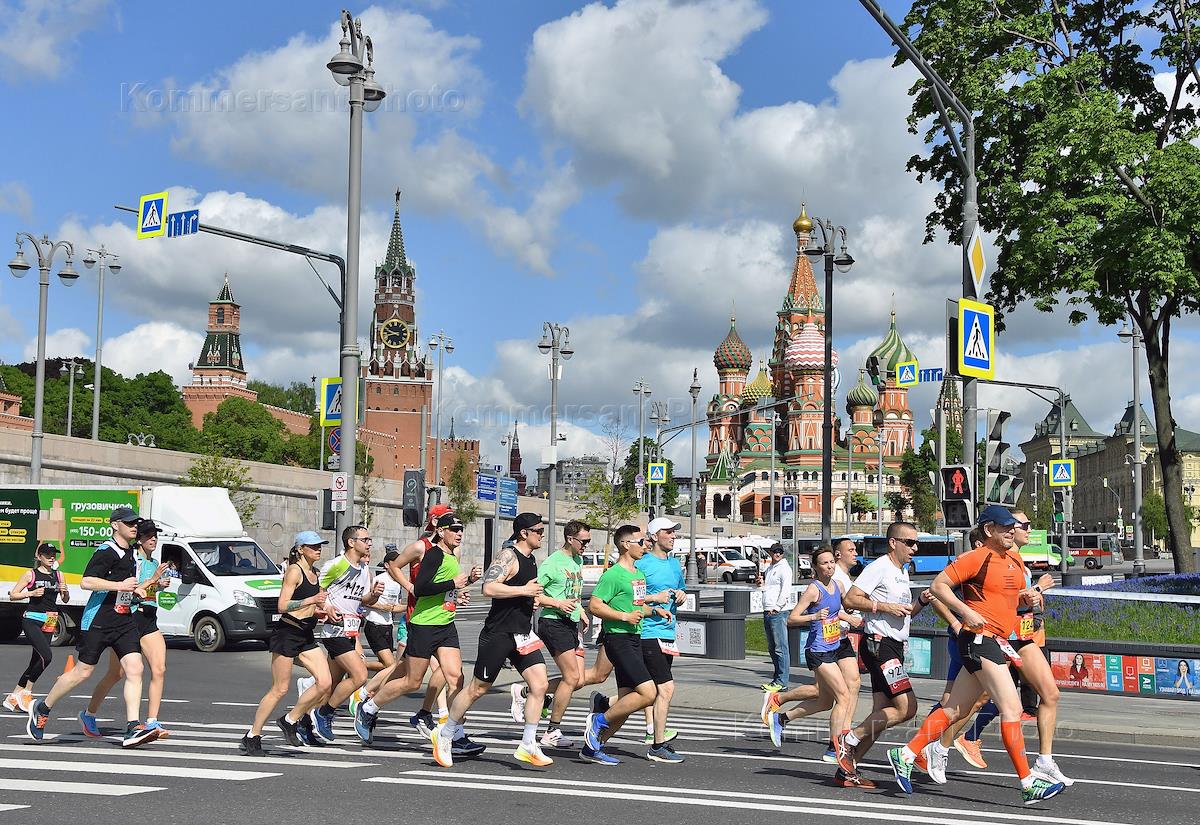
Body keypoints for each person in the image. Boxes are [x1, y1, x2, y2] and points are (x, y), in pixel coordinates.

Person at [885, 505, 1065, 806]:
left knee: (954, 710)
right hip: (980, 640)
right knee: (1011, 709)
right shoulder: (976, 557)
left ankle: (905, 753)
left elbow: (1008, 599)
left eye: (1013, 527)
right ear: (988, 530)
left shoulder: (1013, 559)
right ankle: (1027, 783)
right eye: (1005, 527)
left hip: (996, 640)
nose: (1011, 532)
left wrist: (1029, 597)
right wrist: (965, 611)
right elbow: (938, 586)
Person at [946, 511, 1070, 787]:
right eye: (1020, 525)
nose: (1024, 530)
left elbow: (1019, 600)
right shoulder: (992, 556)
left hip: (1022, 637)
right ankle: (938, 746)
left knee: (1048, 694)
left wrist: (1034, 600)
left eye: (1022, 526)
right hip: (999, 637)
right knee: (972, 702)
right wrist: (1037, 589)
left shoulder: (1017, 560)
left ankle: (1043, 761)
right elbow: (943, 591)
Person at [27, 506, 159, 748]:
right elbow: (86, 582)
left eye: (135, 523)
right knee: (82, 672)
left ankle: (133, 727)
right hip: (98, 619)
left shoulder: (131, 553)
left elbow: (128, 586)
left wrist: (140, 589)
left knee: (135, 669)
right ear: (115, 525)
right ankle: (43, 708)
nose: (134, 527)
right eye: (129, 523)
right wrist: (119, 585)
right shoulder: (106, 551)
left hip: (124, 620)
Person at [354, 513, 482, 754]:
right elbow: (421, 589)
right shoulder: (433, 554)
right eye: (454, 529)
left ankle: (456, 734)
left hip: (446, 624)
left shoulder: (452, 555)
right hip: (424, 625)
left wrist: (466, 584)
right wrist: (453, 584)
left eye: (461, 529)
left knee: (456, 677)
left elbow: (446, 589)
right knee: (412, 682)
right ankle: (368, 708)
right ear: (441, 531)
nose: (459, 533)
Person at [433, 513, 552, 767]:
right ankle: (446, 733)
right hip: (499, 634)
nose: (542, 535)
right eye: (539, 531)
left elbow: (521, 592)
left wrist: (531, 600)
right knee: (477, 689)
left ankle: (528, 744)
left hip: (522, 634)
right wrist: (524, 591)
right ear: (524, 533)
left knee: (540, 684)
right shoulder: (508, 556)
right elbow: (488, 588)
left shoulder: (531, 559)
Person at [834, 521, 931, 789]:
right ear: (893, 543)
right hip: (880, 646)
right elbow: (850, 599)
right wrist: (884, 606)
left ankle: (847, 770)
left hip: (893, 646)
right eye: (909, 543)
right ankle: (848, 739)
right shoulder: (880, 567)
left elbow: (903, 615)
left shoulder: (902, 571)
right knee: (907, 707)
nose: (915, 548)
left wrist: (921, 602)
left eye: (916, 543)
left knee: (880, 714)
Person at [763, 536, 862, 765]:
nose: (830, 566)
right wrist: (814, 616)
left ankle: (781, 719)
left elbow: (836, 611)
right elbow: (792, 619)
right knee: (844, 696)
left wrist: (850, 617)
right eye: (824, 563)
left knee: (825, 701)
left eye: (831, 562)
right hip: (818, 651)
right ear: (816, 567)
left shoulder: (837, 585)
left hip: (834, 646)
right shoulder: (813, 590)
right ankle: (836, 749)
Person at [582, 524, 671, 765]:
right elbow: (595, 605)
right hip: (617, 639)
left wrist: (655, 610)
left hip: (634, 638)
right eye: (641, 542)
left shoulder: (638, 574)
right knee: (649, 693)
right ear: (625, 544)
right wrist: (623, 617)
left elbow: (637, 606)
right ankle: (598, 720)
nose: (646, 545)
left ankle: (592, 748)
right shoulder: (613, 574)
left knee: (626, 702)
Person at [239, 531, 333, 756]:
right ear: (300, 549)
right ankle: (253, 735)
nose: (318, 549)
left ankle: (290, 720)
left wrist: (322, 612)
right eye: (313, 546)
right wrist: (311, 600)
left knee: (325, 683)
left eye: (319, 545)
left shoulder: (314, 573)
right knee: (280, 688)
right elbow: (282, 605)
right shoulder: (294, 571)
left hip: (306, 633)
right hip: (287, 633)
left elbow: (309, 606)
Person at [80, 519, 172, 738]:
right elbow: (131, 589)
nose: (153, 539)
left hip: (149, 618)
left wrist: (158, 586)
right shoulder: (132, 559)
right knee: (116, 674)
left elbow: (146, 590)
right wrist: (153, 581)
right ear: (139, 539)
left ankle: (152, 721)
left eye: (155, 536)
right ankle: (89, 713)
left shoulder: (154, 562)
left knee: (159, 669)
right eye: (148, 536)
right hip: (129, 617)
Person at [303, 524, 381, 743]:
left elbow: (363, 600)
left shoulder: (364, 569)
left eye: (369, 539)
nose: (369, 543)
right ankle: (325, 713)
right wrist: (327, 607)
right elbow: (318, 591)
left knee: (329, 684)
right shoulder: (336, 565)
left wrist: (374, 595)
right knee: (360, 676)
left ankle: (302, 721)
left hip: (352, 631)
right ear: (351, 542)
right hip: (334, 630)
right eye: (365, 540)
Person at [532, 519, 590, 748]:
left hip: (570, 623)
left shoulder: (577, 560)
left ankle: (526, 692)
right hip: (552, 622)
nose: (586, 545)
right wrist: (557, 603)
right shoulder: (552, 563)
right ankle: (552, 731)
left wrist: (581, 611)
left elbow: (573, 593)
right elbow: (534, 593)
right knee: (571, 677)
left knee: (579, 680)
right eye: (583, 541)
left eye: (588, 541)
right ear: (570, 539)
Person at [635, 517, 688, 762]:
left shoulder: (675, 564)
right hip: (647, 632)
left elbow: (680, 590)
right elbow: (633, 597)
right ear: (655, 536)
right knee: (665, 689)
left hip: (668, 634)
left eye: (674, 532)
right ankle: (657, 745)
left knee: (649, 691)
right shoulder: (642, 564)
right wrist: (654, 598)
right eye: (668, 532)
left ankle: (604, 707)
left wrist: (681, 595)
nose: (673, 536)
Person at [4, 543, 69, 713]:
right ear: (39, 557)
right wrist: (30, 593)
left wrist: (65, 591)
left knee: (36, 660)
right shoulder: (30, 574)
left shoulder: (59, 575)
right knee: (46, 656)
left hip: (51, 620)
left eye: (53, 554)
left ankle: (13, 697)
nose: (51, 557)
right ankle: (26, 692)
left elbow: (65, 599)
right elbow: (13, 595)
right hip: (32, 619)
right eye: (47, 554)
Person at [361, 545, 408, 676]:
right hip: (374, 625)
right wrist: (382, 607)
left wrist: (411, 606)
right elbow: (364, 601)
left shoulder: (398, 583)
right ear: (387, 565)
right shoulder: (379, 580)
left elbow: (395, 606)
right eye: (396, 562)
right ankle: (359, 665)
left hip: (388, 626)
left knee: (385, 665)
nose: (400, 564)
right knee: (390, 664)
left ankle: (371, 684)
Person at [760, 543, 793, 693]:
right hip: (767, 610)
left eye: (780, 552)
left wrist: (777, 607)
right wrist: (760, 584)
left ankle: (782, 681)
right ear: (770, 552)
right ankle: (777, 679)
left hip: (777, 612)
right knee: (773, 648)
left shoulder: (784, 568)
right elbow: (767, 588)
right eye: (775, 552)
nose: (777, 554)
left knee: (781, 648)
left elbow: (786, 590)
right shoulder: (769, 568)